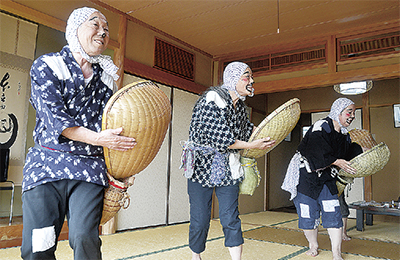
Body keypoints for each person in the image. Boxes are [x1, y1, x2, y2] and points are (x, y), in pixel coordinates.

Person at [21, 7, 136, 259]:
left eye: (106, 29)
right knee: (38, 244)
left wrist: (122, 169)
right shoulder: (47, 65)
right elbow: (55, 119)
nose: (103, 32)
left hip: (89, 168)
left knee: (85, 238)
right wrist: (99, 139)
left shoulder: (107, 79)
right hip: (46, 166)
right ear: (74, 30)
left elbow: (114, 125)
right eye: (95, 24)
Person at [180, 61, 276, 260]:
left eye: (251, 76)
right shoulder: (211, 99)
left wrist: (265, 131)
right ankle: (195, 256)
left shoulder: (239, 106)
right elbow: (221, 139)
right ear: (233, 79)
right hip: (201, 167)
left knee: (230, 217)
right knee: (200, 218)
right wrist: (252, 145)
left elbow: (246, 130)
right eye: (247, 76)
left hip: (228, 167)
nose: (252, 81)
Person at [281, 98, 362, 260]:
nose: (352, 116)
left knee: (333, 212)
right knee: (307, 213)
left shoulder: (344, 136)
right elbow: (315, 149)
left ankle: (336, 253)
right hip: (306, 177)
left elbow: (347, 154)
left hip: (326, 178)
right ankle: (313, 245)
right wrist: (336, 160)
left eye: (354, 112)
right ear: (338, 111)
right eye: (349, 112)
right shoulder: (321, 126)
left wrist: (361, 150)